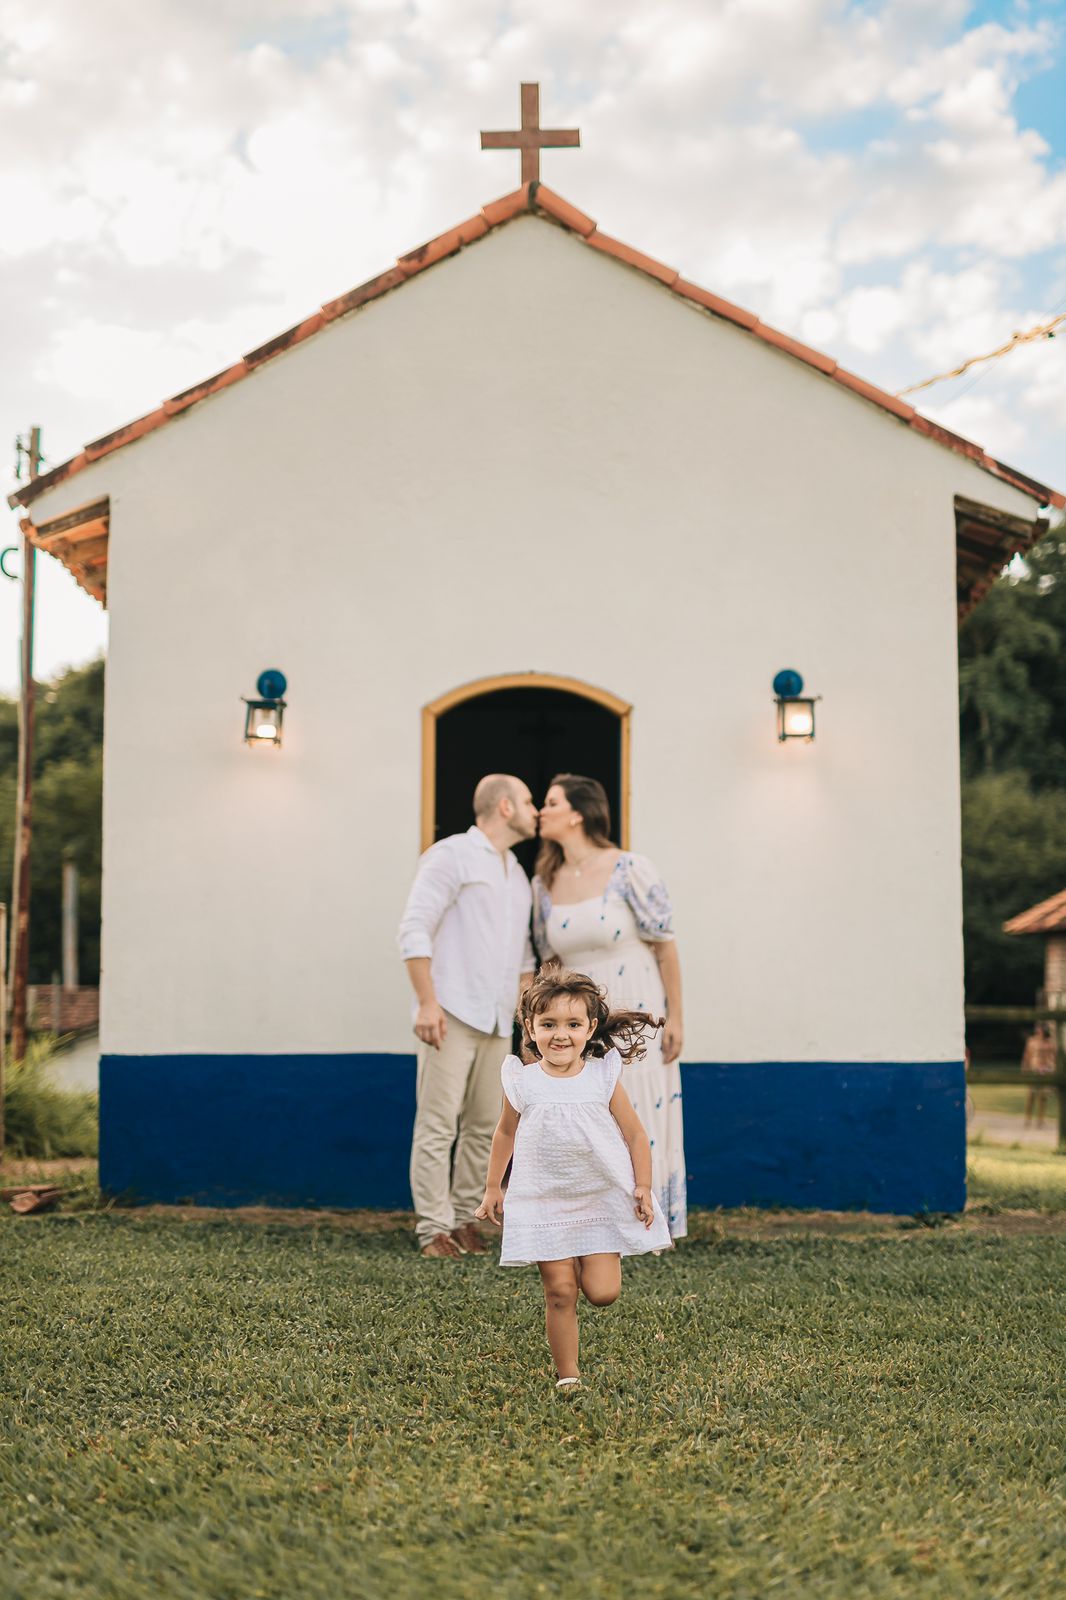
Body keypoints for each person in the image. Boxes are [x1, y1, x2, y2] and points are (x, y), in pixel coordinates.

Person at [475, 962, 671, 1389]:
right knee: (560, 1291)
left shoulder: (602, 1075)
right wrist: (494, 1187)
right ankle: (569, 1377)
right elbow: (505, 1132)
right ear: (530, 1027)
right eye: (548, 1023)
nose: (560, 1034)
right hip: (544, 1200)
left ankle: (588, 1254)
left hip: (599, 1197)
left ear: (590, 1027)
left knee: (602, 1293)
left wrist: (642, 1185)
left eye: (572, 1023)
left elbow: (635, 1134)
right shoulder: (521, 1081)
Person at [532, 773, 687, 1238]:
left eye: (551, 802)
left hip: (636, 1001)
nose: (542, 810)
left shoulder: (629, 868)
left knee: (638, 1102)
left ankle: (651, 1222)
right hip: (578, 1015)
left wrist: (676, 1015)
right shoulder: (545, 882)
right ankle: (600, 1224)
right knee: (589, 1107)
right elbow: (548, 958)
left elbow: (665, 944)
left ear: (578, 813)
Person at [397, 774, 538, 1258]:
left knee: (485, 1125)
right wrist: (427, 1002)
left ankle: (464, 1221)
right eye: (527, 801)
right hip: (451, 1011)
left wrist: (529, 1021)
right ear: (504, 806)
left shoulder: (516, 872)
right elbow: (414, 928)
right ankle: (433, 1229)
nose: (534, 809)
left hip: (499, 1020)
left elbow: (522, 957)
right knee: (438, 1124)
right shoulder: (450, 854)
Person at [1021, 1022, 1056, 1127]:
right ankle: (1027, 1119)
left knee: (1043, 1097)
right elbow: (1026, 1055)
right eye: (1037, 1029)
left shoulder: (1049, 1042)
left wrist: (1053, 1067)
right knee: (1031, 1096)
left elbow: (1053, 1056)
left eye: (1040, 1029)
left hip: (1045, 1070)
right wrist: (1024, 1068)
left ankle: (1040, 1120)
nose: (1038, 1031)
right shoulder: (1031, 1041)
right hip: (1034, 1070)